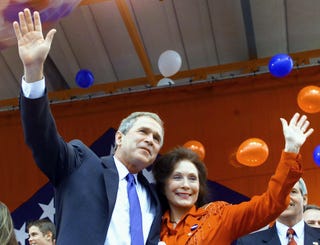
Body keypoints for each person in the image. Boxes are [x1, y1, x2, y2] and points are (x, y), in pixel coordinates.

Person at [13, 9, 164, 245]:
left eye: (157, 139)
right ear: (120, 138)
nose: (150, 140)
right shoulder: (80, 164)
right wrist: (33, 71)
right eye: (143, 132)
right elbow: (40, 137)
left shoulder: (153, 199)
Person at [152, 112, 314, 244]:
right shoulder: (150, 225)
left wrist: (291, 150)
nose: (186, 185)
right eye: (178, 177)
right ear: (164, 183)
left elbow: (269, 204)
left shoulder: (218, 217)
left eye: (193, 179)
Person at [237, 178, 320, 244]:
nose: (286, 198)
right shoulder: (248, 243)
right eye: (279, 193)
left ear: (304, 199)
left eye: (293, 191)